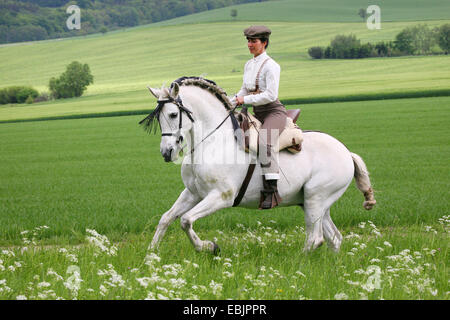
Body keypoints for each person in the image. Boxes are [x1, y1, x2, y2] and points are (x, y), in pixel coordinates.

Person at [233, 25, 287, 209]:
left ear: (264, 43)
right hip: (256, 112)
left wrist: (244, 99)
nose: (250, 44)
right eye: (248, 41)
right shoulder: (249, 64)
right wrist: (231, 101)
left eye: (253, 41)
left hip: (273, 111)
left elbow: (271, 95)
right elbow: (243, 90)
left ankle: (271, 190)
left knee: (265, 142)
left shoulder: (272, 66)